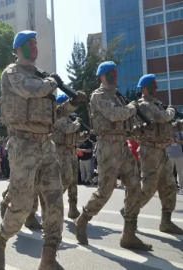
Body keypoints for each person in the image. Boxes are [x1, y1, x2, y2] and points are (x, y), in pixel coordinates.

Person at [0, 30, 85, 270]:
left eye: (36, 43)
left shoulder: (42, 77)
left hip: (46, 145)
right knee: (21, 206)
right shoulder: (13, 73)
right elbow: (30, 90)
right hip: (23, 145)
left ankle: (48, 258)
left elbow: (54, 114)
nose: (35, 46)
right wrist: (54, 82)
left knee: (54, 204)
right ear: (20, 47)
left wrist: (72, 104)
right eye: (31, 43)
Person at [74, 61, 152, 251]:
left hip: (122, 145)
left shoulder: (117, 96)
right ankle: (83, 219)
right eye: (112, 73)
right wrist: (133, 108)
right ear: (103, 76)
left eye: (116, 73)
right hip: (107, 147)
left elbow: (125, 119)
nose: (115, 76)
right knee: (105, 191)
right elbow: (115, 114)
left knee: (134, 187)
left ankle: (129, 234)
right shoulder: (98, 95)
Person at [135, 74, 183, 234]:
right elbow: (163, 117)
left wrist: (180, 125)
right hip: (149, 150)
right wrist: (171, 110)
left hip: (161, 150)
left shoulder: (156, 105)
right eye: (153, 85)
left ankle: (166, 222)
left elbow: (166, 125)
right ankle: (129, 212)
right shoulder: (144, 105)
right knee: (148, 188)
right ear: (145, 87)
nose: (156, 88)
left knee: (169, 186)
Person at [52, 94, 85, 219]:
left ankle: (73, 208)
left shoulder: (69, 119)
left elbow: (73, 136)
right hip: (62, 152)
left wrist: (83, 136)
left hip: (71, 151)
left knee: (73, 181)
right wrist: (77, 123)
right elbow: (68, 129)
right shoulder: (58, 118)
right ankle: (54, 204)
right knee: (66, 179)